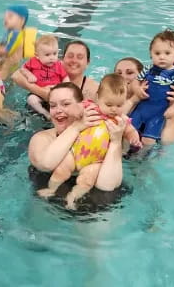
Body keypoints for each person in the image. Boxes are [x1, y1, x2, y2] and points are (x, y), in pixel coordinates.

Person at [37, 75, 141, 209]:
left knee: (86, 181)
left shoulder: (121, 120)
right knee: (60, 170)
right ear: (98, 98)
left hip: (96, 161)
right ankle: (51, 189)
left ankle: (72, 197)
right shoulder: (90, 108)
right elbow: (75, 109)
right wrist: (74, 111)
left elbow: (131, 131)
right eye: (109, 104)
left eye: (119, 105)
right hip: (75, 153)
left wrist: (134, 137)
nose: (114, 109)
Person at [128, 29, 174, 145]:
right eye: (157, 53)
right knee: (128, 132)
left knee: (149, 140)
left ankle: (141, 160)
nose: (161, 57)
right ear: (151, 53)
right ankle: (123, 154)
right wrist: (137, 89)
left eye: (167, 53)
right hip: (142, 108)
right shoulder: (148, 69)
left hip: (158, 112)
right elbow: (136, 81)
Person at [12, 40, 99, 102]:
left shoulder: (93, 89)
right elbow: (16, 75)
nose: (74, 61)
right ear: (62, 59)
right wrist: (42, 93)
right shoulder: (50, 66)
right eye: (70, 56)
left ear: (88, 62)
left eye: (79, 57)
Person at [18, 34, 68, 119]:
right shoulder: (33, 62)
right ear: (37, 55)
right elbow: (22, 69)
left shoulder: (58, 65)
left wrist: (65, 88)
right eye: (47, 55)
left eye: (54, 54)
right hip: (38, 94)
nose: (52, 58)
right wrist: (29, 74)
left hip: (55, 93)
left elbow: (65, 78)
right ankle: (45, 113)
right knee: (31, 99)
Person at [0, 4, 29, 80]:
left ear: (21, 20)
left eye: (10, 16)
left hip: (10, 62)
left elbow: (6, 51)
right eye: (5, 16)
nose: (6, 19)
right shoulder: (12, 31)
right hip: (15, 63)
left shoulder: (16, 34)